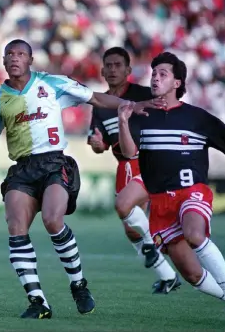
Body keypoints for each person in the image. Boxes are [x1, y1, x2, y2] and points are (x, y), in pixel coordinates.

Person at [0, 39, 160, 320]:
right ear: (3, 61)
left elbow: (96, 97)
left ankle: (78, 285)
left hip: (54, 162)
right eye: (10, 54)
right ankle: (38, 301)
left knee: (52, 220)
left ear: (30, 60)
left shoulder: (52, 83)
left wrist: (130, 104)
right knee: (15, 227)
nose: (14, 58)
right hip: (22, 168)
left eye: (20, 53)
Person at [117, 51, 225, 314]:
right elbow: (129, 152)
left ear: (177, 83)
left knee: (194, 234)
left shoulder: (197, 118)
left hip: (192, 192)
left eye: (162, 74)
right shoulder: (140, 115)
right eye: (154, 73)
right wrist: (123, 121)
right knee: (192, 275)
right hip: (159, 202)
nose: (155, 78)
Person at [88, 47, 180, 294]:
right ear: (102, 71)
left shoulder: (143, 94)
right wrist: (97, 144)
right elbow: (100, 142)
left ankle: (155, 247)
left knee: (133, 215)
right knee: (131, 230)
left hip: (149, 162)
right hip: (124, 167)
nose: (113, 69)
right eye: (109, 65)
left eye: (118, 65)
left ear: (129, 70)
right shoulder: (100, 105)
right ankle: (168, 276)